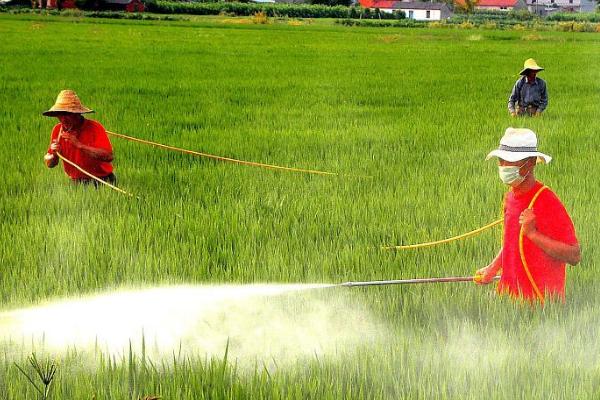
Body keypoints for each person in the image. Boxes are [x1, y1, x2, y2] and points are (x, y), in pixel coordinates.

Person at [474, 127, 580, 302]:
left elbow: (574, 256)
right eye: (501, 160)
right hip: (509, 297)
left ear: (530, 162)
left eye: (510, 161)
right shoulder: (510, 196)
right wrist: (493, 268)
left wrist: (533, 234)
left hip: (539, 305)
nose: (503, 166)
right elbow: (512, 241)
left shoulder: (547, 201)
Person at [43, 90, 116, 186]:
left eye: (67, 114)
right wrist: (55, 154)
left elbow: (109, 156)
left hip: (102, 181)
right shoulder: (57, 131)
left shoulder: (94, 127)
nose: (63, 119)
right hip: (76, 183)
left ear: (77, 114)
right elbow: (49, 164)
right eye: (60, 114)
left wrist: (79, 145)